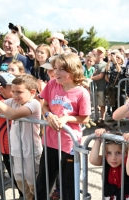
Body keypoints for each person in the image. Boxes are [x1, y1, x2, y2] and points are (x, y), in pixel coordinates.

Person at [36, 53, 91, 199]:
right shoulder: (52, 84)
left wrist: (66, 118)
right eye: (55, 68)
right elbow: (44, 105)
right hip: (50, 141)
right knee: (43, 181)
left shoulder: (82, 93)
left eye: (62, 69)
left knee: (68, 185)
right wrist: (48, 115)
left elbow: (85, 118)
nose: (56, 72)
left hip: (69, 144)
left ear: (73, 70)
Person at [0, 74, 42, 200]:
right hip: (16, 151)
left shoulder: (34, 103)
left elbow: (12, 115)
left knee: (33, 182)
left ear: (32, 92)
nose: (14, 95)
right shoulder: (13, 101)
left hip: (31, 151)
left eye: (19, 92)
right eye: (13, 91)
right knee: (20, 180)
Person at [89, 128, 129, 199]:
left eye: (118, 153)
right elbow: (93, 160)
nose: (113, 158)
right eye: (109, 153)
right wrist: (98, 139)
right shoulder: (107, 161)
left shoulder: (128, 161)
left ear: (126, 153)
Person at [105, 51, 127, 117]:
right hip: (112, 89)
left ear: (122, 59)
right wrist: (109, 61)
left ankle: (120, 120)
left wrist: (115, 62)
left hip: (121, 89)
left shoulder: (123, 66)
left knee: (120, 104)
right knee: (113, 105)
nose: (116, 59)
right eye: (115, 57)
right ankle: (115, 119)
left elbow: (120, 72)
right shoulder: (112, 66)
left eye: (118, 58)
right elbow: (107, 73)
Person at [91, 47, 107, 127]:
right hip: (92, 88)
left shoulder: (104, 64)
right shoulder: (92, 63)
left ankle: (102, 119)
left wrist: (90, 78)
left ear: (103, 54)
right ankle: (95, 119)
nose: (99, 54)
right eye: (98, 52)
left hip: (101, 87)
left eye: (100, 52)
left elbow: (101, 76)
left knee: (102, 104)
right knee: (93, 103)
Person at [82, 54, 97, 129]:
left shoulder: (93, 69)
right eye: (87, 60)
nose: (89, 62)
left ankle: (89, 118)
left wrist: (89, 81)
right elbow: (81, 77)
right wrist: (86, 82)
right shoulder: (83, 68)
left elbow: (91, 77)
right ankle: (85, 120)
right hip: (82, 87)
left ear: (93, 62)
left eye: (91, 61)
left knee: (89, 103)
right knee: (83, 104)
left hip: (88, 87)